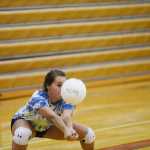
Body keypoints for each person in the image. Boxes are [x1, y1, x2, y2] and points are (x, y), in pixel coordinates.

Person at [11, 69, 95, 150]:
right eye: (59, 85)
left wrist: (70, 129)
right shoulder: (38, 97)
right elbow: (52, 116)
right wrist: (65, 130)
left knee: (89, 135)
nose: (63, 88)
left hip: (47, 127)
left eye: (64, 85)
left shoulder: (67, 98)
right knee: (22, 133)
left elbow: (66, 116)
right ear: (48, 85)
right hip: (26, 122)